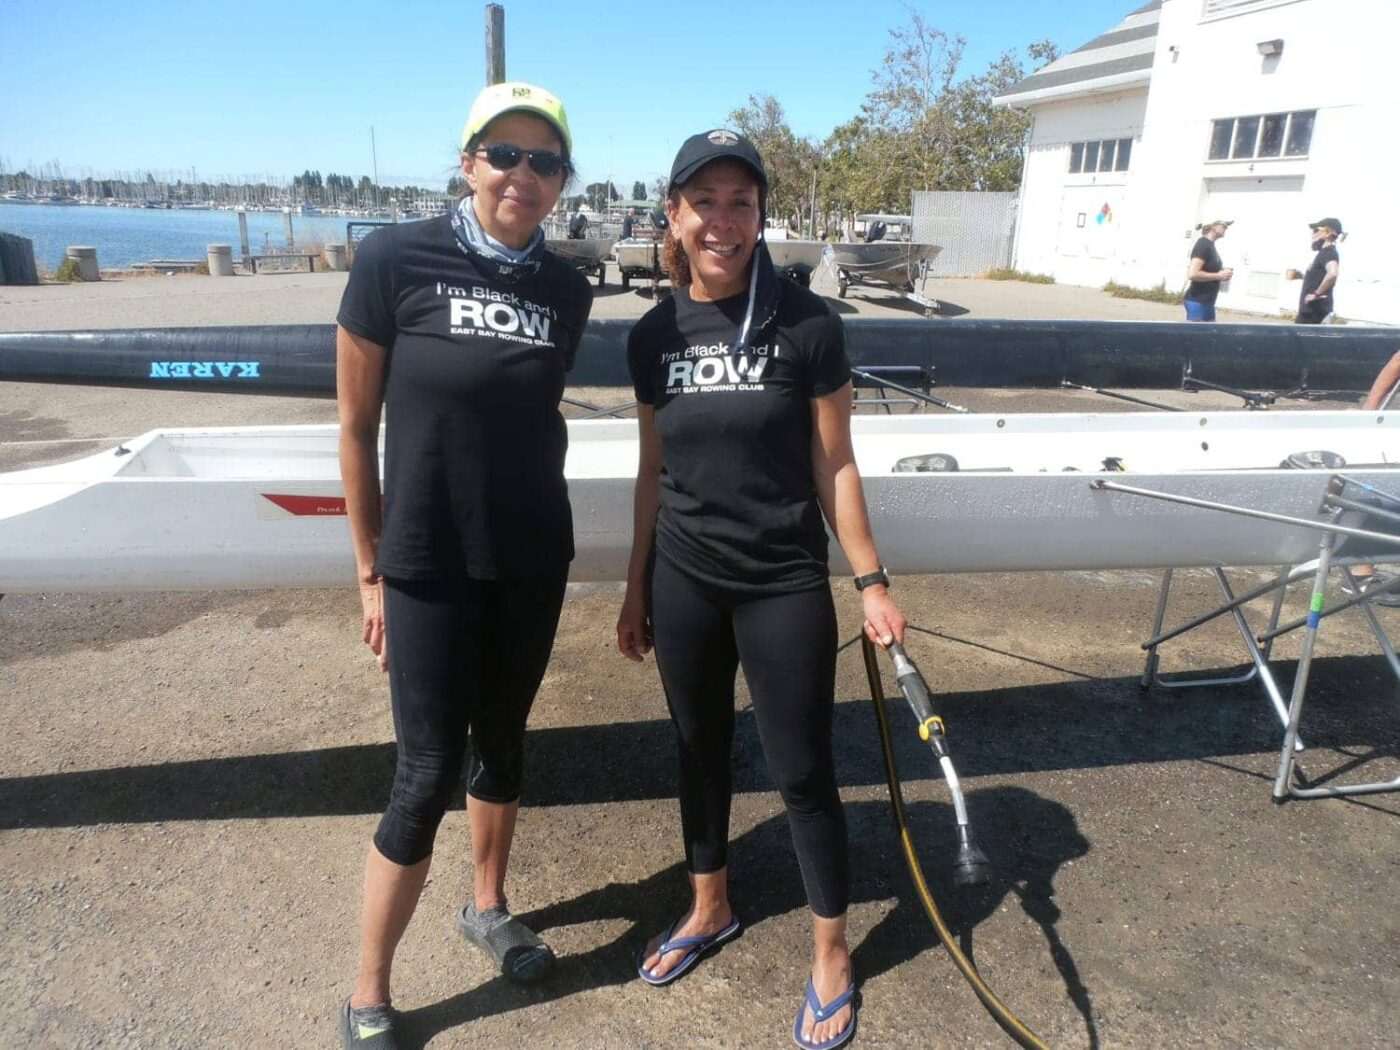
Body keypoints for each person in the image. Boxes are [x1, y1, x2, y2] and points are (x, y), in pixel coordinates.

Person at [617, 129, 907, 1050]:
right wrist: (635, 588)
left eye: (742, 202)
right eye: (705, 201)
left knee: (802, 769)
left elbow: (837, 465)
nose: (723, 220)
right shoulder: (653, 335)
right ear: (674, 215)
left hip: (782, 580)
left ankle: (831, 953)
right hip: (685, 579)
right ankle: (711, 907)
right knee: (698, 749)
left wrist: (870, 579)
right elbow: (650, 468)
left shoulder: (807, 322)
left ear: (760, 216)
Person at [334, 80, 593, 1049]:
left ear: (562, 180)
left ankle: (487, 907)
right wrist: (369, 571)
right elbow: (357, 431)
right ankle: (369, 987)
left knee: (506, 742)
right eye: (504, 154)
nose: (522, 175)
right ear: (467, 160)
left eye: (544, 161)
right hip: (427, 561)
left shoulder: (565, 290)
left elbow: (522, 419)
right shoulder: (393, 257)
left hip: (530, 555)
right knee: (424, 770)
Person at [1286, 217, 1342, 324]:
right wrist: (1302, 276)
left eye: (1316, 230)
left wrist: (1316, 294)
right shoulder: (1323, 253)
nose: (1313, 235)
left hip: (1313, 315)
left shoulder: (1329, 252)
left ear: (1327, 233)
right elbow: (1320, 277)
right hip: (1310, 313)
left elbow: (1333, 274)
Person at [1183, 219, 1234, 322]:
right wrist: (1219, 276)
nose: (1226, 228)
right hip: (1197, 301)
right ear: (1213, 227)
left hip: (1208, 302)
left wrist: (1223, 273)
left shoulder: (1210, 245)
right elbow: (1193, 274)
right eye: (1224, 225)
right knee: (1197, 336)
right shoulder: (1203, 244)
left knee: (1211, 334)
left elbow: (1209, 270)